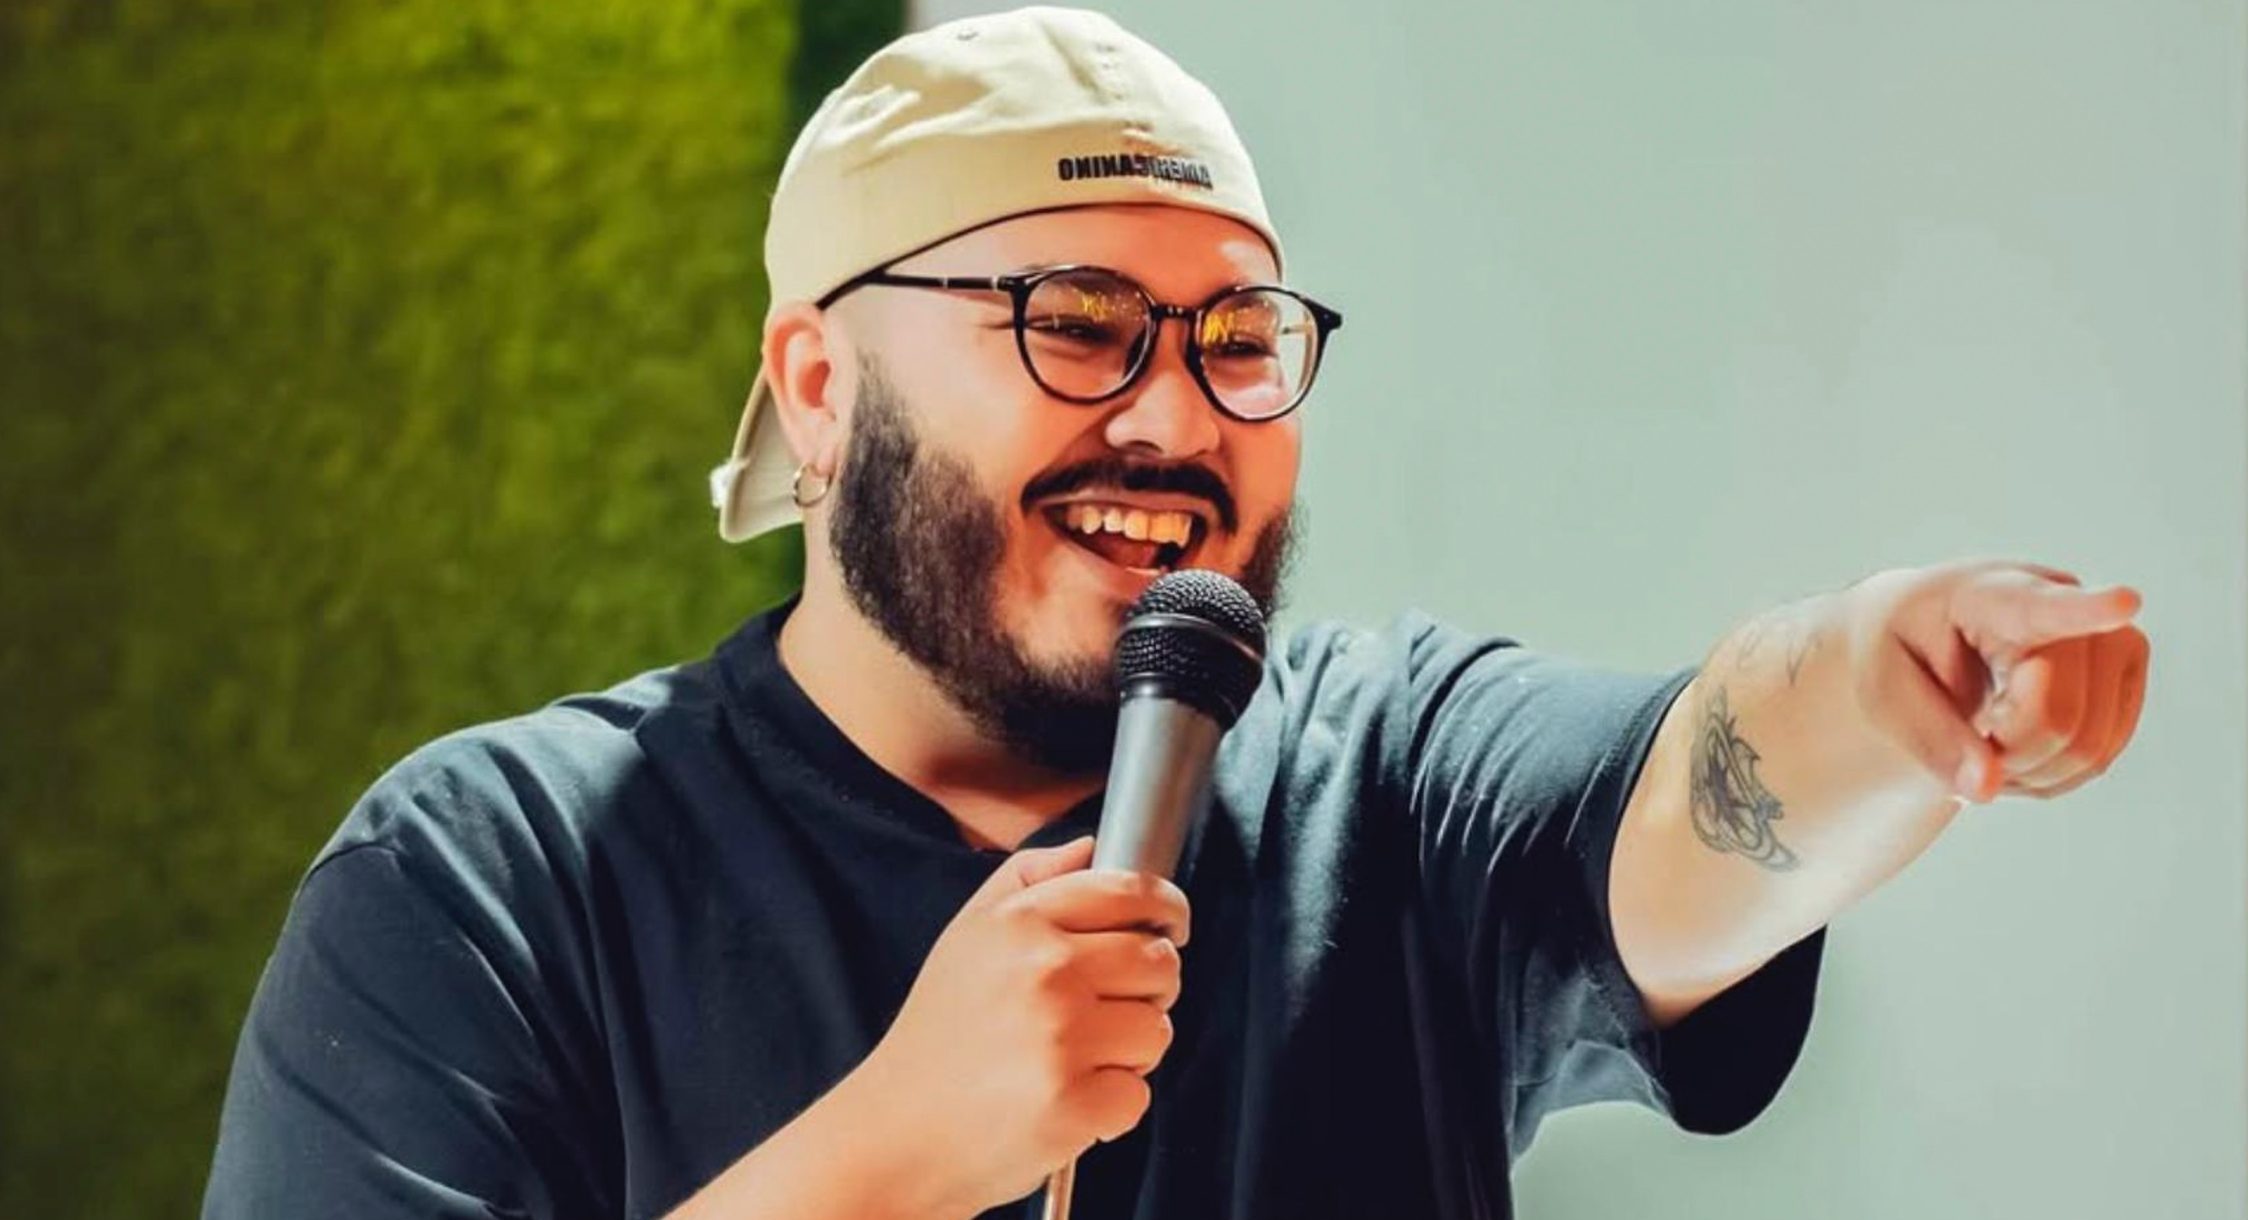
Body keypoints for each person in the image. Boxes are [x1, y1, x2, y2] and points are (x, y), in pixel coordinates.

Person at [200, 7, 2152, 1219]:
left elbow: (1695, 793)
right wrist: (892, 1154)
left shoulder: (1391, 782)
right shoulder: (484, 881)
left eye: (1237, 336)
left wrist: (1878, 672)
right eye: (1072, 321)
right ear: (817, 384)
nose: (1173, 414)